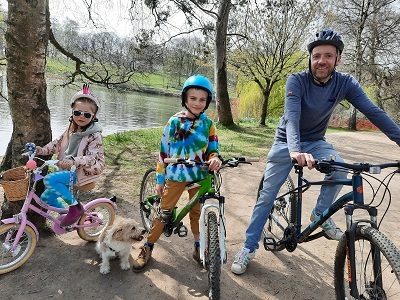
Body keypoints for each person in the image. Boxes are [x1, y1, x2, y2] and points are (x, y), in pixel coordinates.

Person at [231, 29, 400, 275]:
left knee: (340, 169)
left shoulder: (346, 83)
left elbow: (374, 113)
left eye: (328, 56)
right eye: (317, 55)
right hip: (285, 142)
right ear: (310, 58)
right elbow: (292, 118)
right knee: (267, 196)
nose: (321, 60)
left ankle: (320, 213)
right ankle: (248, 248)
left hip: (316, 142)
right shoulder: (297, 80)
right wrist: (295, 150)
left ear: (338, 59)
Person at [132, 74, 222, 273]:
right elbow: (163, 152)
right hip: (177, 176)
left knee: (197, 213)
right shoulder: (174, 122)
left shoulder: (208, 124)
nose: (198, 103)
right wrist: (160, 177)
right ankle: (147, 247)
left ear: (207, 102)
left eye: (202, 99)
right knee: (163, 213)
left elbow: (213, 148)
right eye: (193, 98)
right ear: (185, 99)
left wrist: (215, 157)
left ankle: (199, 248)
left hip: (200, 176)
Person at [36, 84, 105, 227]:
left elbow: (92, 158)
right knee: (45, 198)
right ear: (72, 112)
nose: (81, 116)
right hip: (65, 171)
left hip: (80, 173)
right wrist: (41, 150)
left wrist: (73, 161)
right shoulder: (70, 129)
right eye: (77, 112)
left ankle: (75, 208)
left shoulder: (95, 135)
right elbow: (57, 144)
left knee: (49, 180)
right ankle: (68, 218)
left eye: (87, 115)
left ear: (93, 117)